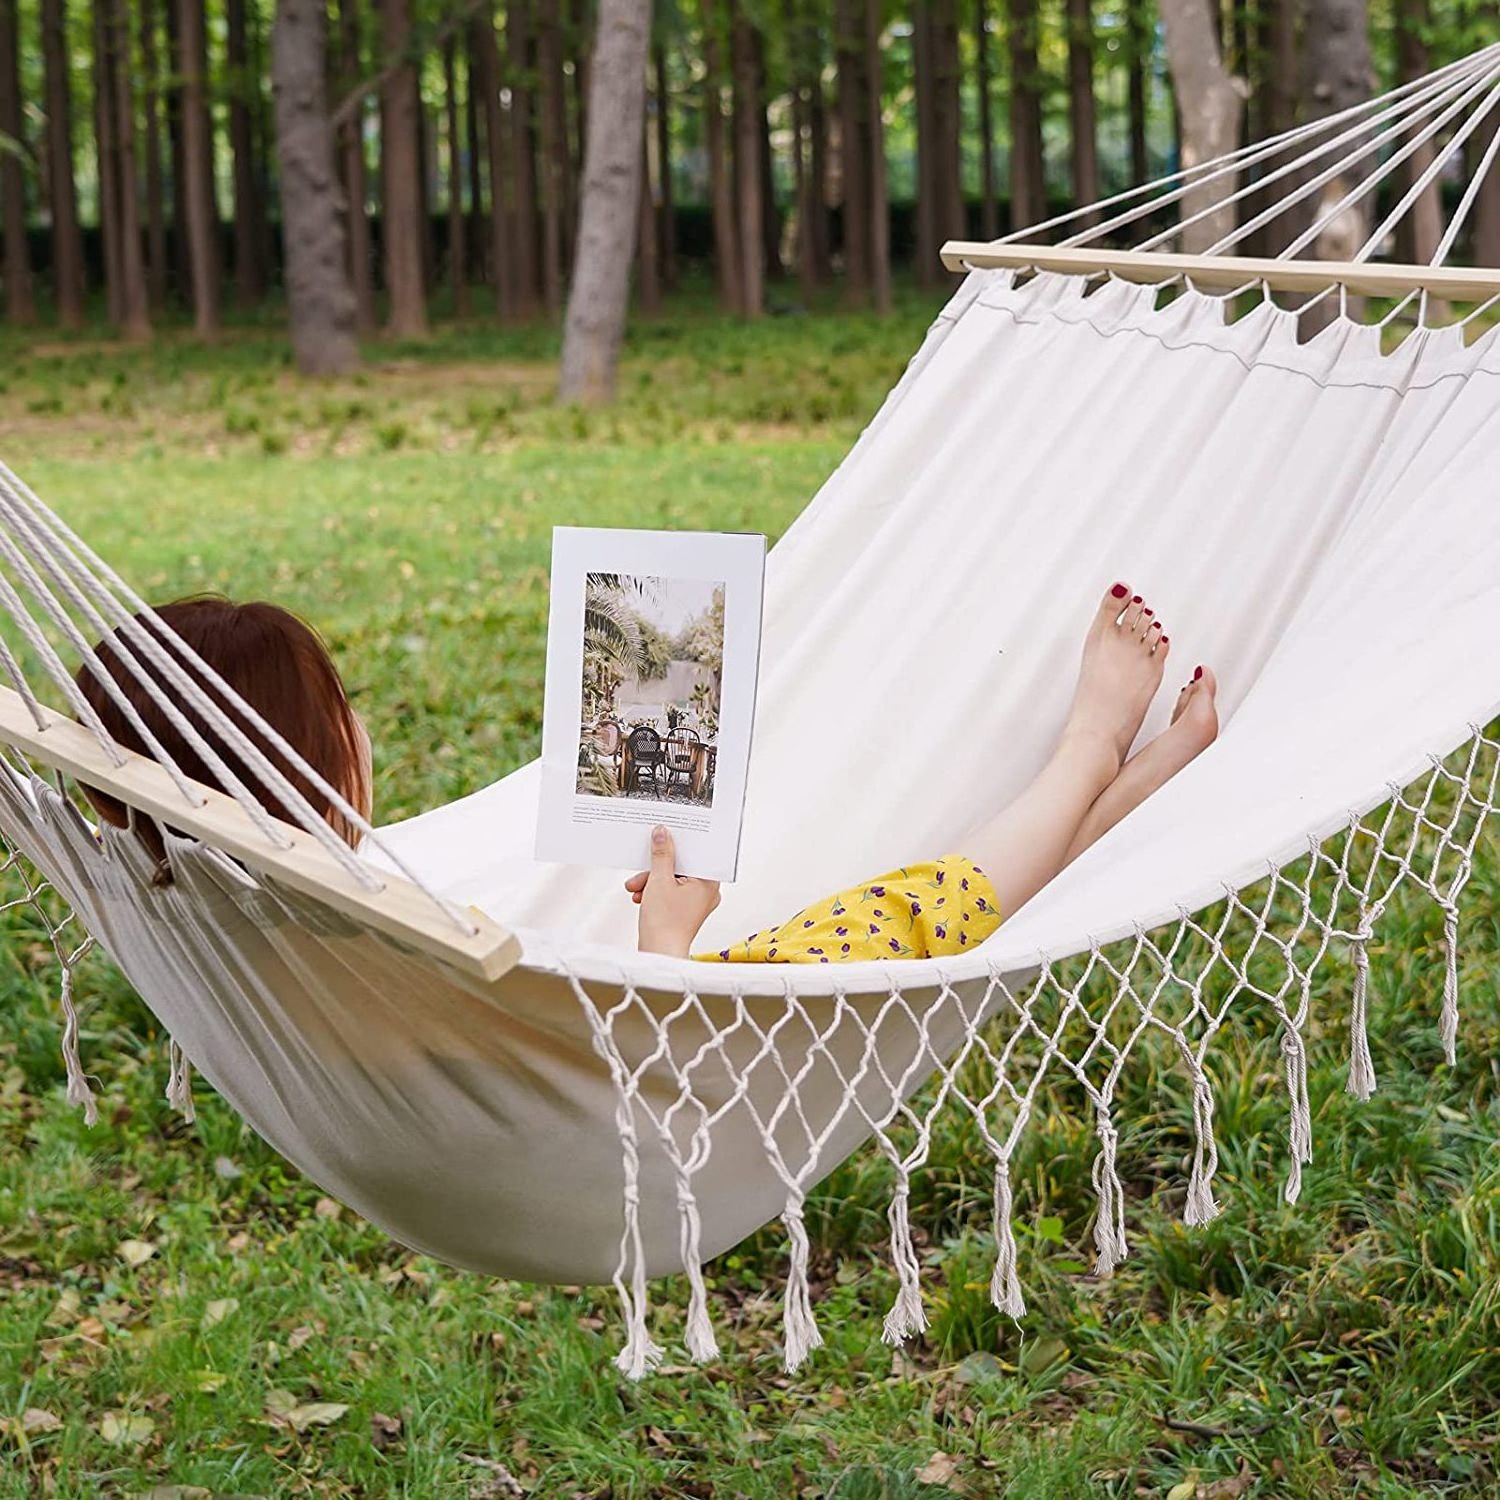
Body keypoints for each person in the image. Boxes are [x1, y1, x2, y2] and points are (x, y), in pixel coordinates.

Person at [76, 585, 1217, 958]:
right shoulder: (350, 920)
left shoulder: (230, 902)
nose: (362, 731)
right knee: (888, 914)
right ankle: (1089, 749)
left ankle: (1131, 781)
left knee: (903, 909)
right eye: (342, 713)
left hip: (608, 1066)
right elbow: (644, 1071)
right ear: (298, 759)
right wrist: (671, 944)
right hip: (690, 1059)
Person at [626, 582, 1218, 961]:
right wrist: (665, 942)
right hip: (757, 1015)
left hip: (752, 997)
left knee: (874, 934)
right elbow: (674, 1056)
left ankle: (1117, 787)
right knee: (900, 919)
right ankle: (1089, 752)